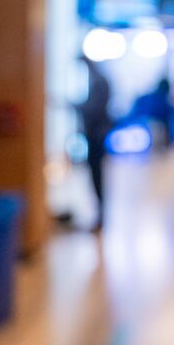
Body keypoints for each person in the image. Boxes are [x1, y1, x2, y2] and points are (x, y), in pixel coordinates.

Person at [76, 57, 111, 231]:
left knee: (97, 177)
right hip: (96, 135)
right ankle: (100, 214)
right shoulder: (98, 80)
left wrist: (76, 106)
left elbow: (94, 110)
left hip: (96, 136)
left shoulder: (98, 82)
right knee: (96, 177)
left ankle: (101, 215)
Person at [129, 78, 174, 146]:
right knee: (157, 142)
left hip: (145, 124)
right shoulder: (162, 99)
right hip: (155, 125)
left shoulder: (150, 96)